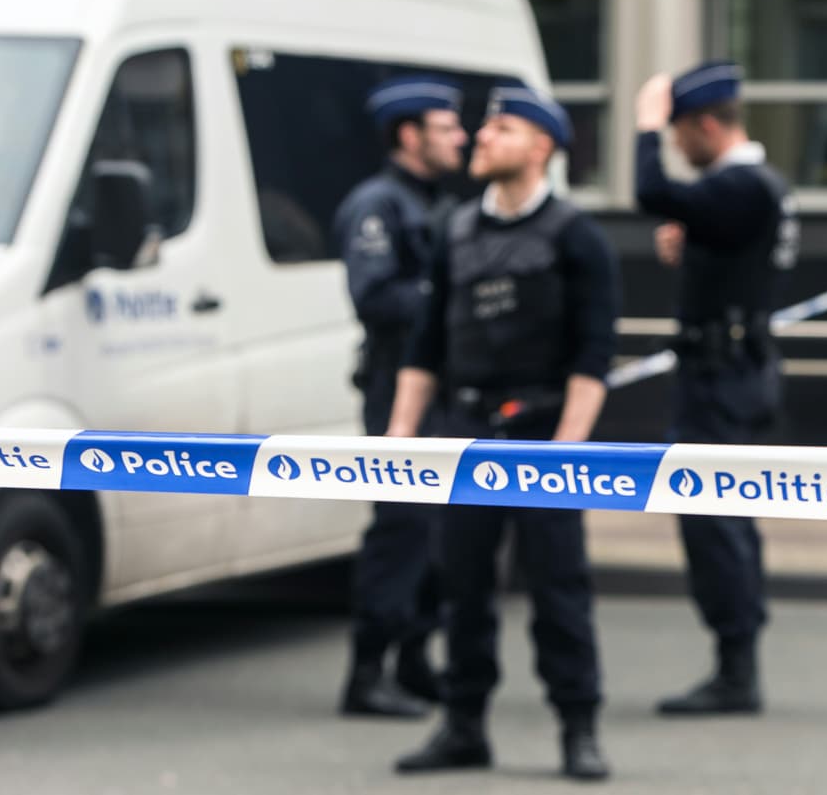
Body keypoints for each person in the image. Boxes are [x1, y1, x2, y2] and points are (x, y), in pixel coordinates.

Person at [386, 82, 618, 781]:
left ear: (542, 147)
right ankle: (464, 726)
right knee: (461, 586)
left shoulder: (577, 236)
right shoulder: (456, 229)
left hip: (544, 431)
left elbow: (594, 354)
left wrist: (567, 450)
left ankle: (578, 725)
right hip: (467, 430)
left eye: (502, 129)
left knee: (558, 587)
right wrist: (398, 437)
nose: (481, 138)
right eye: (484, 129)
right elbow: (425, 346)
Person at [633, 60, 800, 716]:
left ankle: (736, 667)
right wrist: (693, 241)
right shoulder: (757, 187)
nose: (674, 146)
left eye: (678, 132)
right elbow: (726, 246)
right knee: (728, 515)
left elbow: (651, 191)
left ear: (706, 125)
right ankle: (737, 659)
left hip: (720, 377)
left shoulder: (741, 185)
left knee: (713, 517)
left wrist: (644, 126)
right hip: (736, 370)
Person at [333, 75, 468, 718]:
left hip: (449, 387)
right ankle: (367, 672)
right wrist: (452, 301)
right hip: (397, 388)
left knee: (442, 534)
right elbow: (376, 297)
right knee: (403, 528)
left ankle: (415, 659)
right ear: (410, 136)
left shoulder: (440, 203)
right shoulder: (377, 205)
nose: (461, 137)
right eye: (447, 128)